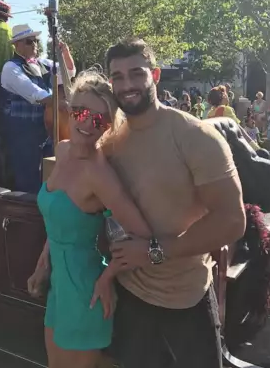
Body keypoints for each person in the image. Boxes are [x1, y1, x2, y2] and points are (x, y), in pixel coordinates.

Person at [104, 38, 245, 368]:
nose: (127, 85)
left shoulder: (195, 136)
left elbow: (232, 220)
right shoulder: (110, 140)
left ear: (155, 75)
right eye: (118, 77)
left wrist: (154, 251)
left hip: (185, 300)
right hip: (129, 297)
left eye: (136, 73)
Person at [27, 70, 152, 368]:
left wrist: (108, 277)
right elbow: (58, 218)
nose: (86, 124)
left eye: (99, 120)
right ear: (69, 110)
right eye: (81, 112)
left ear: (108, 126)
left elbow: (144, 236)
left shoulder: (100, 175)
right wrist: (43, 261)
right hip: (59, 286)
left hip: (86, 292)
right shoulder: (62, 150)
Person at [0, 24, 76, 193]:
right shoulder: (10, 68)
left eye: (35, 40)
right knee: (28, 177)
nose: (34, 44)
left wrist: (65, 54)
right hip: (22, 130)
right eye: (29, 41)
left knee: (49, 173)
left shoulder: (43, 63)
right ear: (17, 45)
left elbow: (69, 73)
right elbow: (36, 94)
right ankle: (26, 208)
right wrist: (62, 104)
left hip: (46, 128)